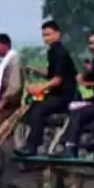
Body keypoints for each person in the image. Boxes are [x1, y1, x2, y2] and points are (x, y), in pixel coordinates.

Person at [18, 20, 78, 156]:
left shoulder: (61, 52)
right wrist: (34, 69)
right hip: (55, 93)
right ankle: (29, 143)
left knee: (38, 110)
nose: (46, 38)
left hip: (64, 96)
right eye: (44, 35)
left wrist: (39, 88)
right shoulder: (52, 52)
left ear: (58, 35)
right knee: (32, 106)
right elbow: (51, 74)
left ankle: (33, 146)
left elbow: (57, 80)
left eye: (49, 35)